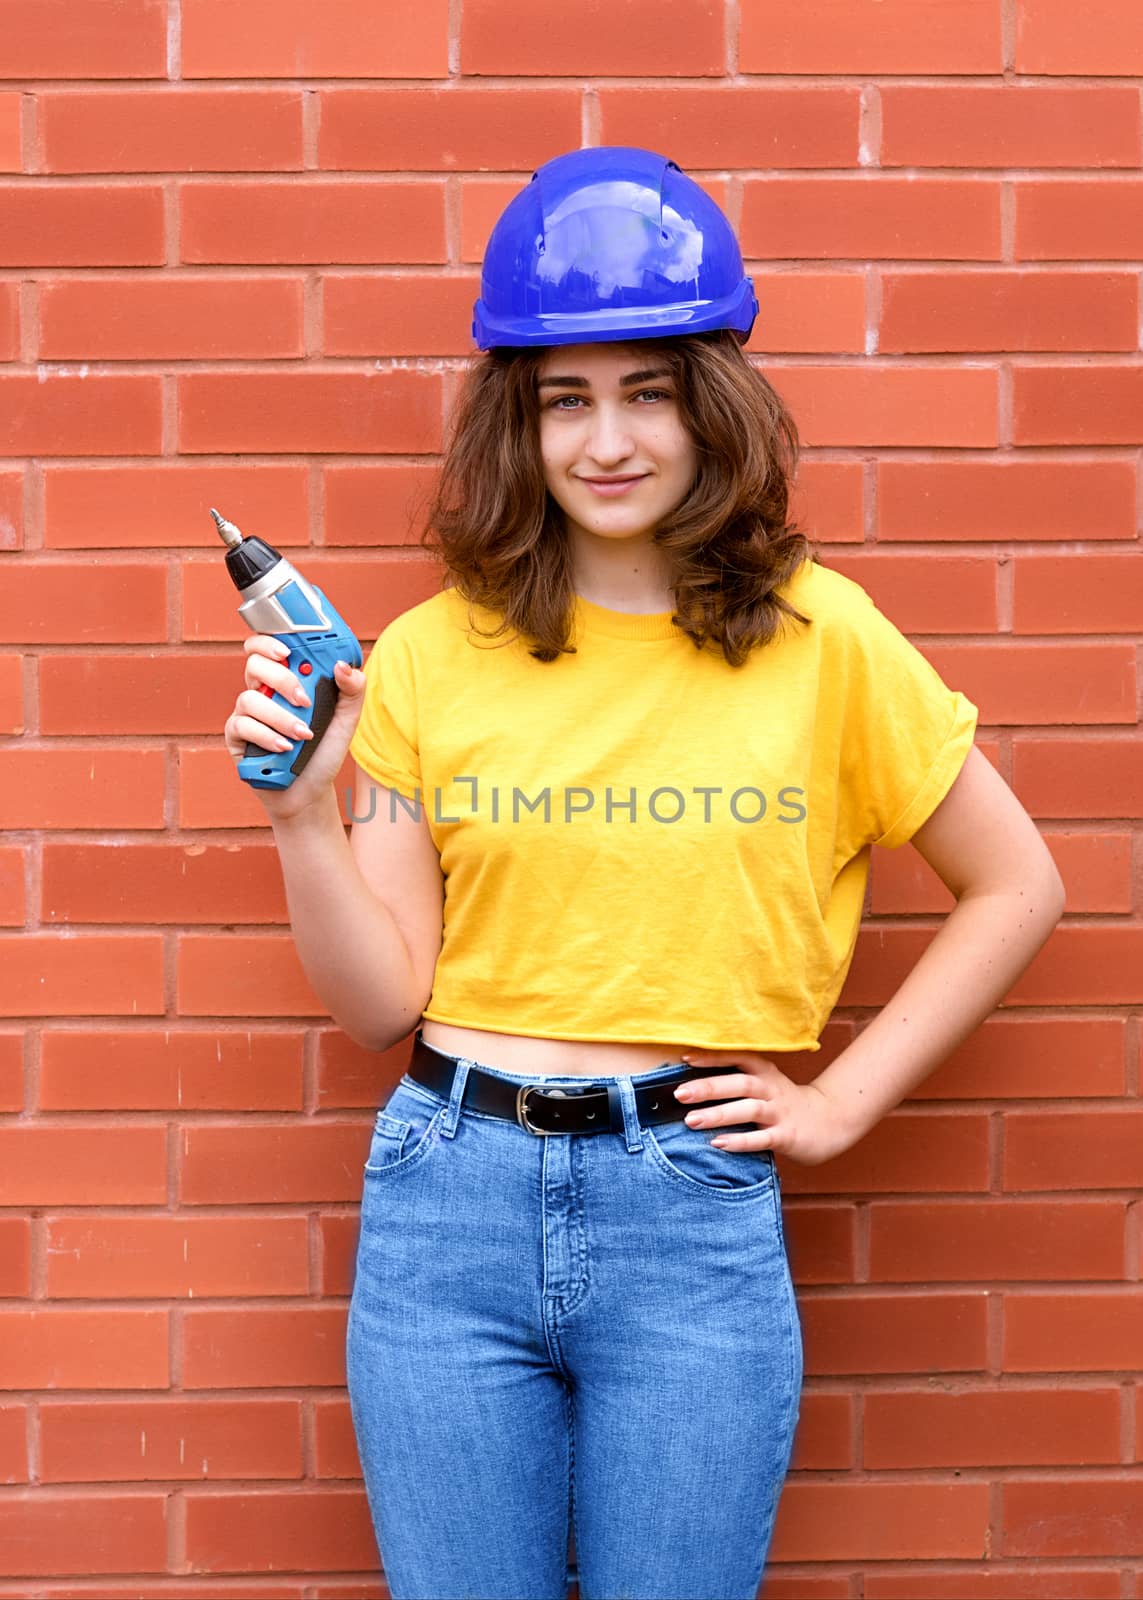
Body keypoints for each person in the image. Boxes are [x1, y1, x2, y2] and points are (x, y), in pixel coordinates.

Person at [224, 146, 1065, 1600]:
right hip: (449, 1201)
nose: (607, 441)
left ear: (710, 407)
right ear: (520, 423)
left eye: (647, 392)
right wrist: (305, 816)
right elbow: (382, 1004)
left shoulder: (824, 636)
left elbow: (1018, 885)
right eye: (566, 400)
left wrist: (842, 1102)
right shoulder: (433, 650)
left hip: (687, 1204)